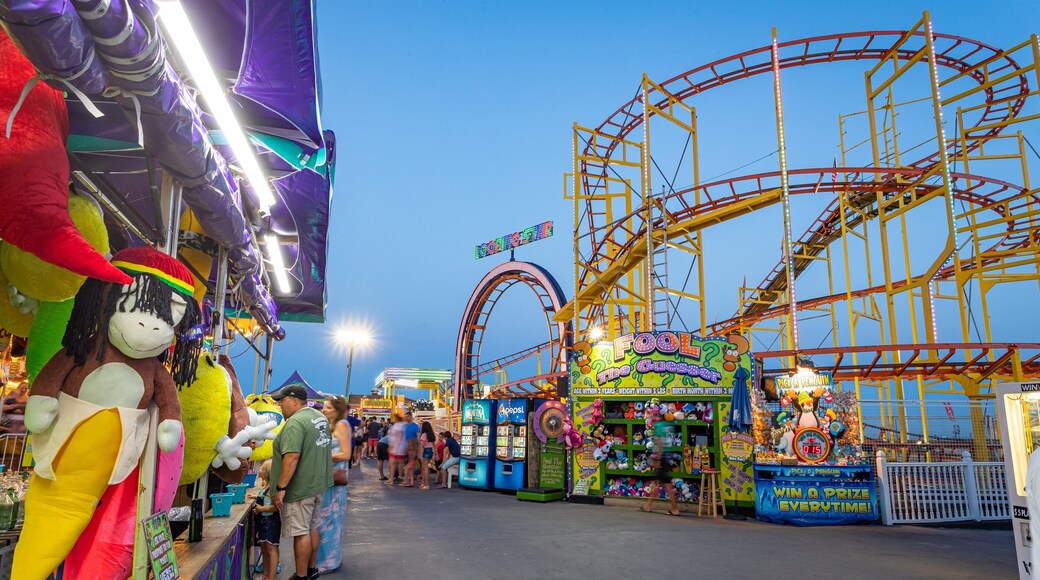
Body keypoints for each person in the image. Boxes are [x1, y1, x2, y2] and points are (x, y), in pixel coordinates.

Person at [271, 384, 334, 580]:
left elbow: (292, 456)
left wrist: (281, 487)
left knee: (300, 533)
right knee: (311, 528)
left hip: (300, 488)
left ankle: (300, 576)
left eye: (282, 400)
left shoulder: (295, 422)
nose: (280, 404)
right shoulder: (319, 417)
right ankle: (311, 569)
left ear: (295, 401)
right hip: (317, 484)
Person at [316, 396, 351, 574]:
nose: (324, 410)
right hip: (326, 477)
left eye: (328, 407)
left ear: (337, 410)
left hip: (335, 478)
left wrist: (323, 455)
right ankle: (322, 558)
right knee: (322, 518)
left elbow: (346, 454)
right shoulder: (330, 425)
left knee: (330, 518)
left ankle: (329, 561)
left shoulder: (342, 425)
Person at [640, 418, 680, 517]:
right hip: (669, 455)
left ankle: (675, 509)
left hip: (663, 457)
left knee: (666, 484)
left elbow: (660, 441)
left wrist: (658, 457)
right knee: (660, 482)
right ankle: (648, 505)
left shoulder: (659, 426)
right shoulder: (668, 425)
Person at [251, 459, 281, 580]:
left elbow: (276, 507)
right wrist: (256, 496)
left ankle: (271, 576)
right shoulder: (265, 487)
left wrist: (261, 509)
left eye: (262, 468)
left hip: (270, 522)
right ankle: (265, 573)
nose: (260, 469)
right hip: (262, 522)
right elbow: (264, 498)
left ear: (267, 473)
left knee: (271, 548)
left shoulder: (273, 489)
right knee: (264, 547)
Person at [386, 414, 407, 485]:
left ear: (397, 418)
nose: (393, 419)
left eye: (394, 418)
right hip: (397, 447)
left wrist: (392, 446)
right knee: (395, 463)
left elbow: (398, 437)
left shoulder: (399, 426)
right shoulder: (398, 425)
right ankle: (394, 478)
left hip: (398, 447)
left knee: (397, 463)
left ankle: (397, 478)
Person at [402, 412, 421, 487]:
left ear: (410, 416)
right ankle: (411, 481)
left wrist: (418, 449)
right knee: (409, 466)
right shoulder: (404, 426)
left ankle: (407, 481)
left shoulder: (415, 426)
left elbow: (418, 437)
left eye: (407, 416)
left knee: (409, 466)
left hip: (412, 449)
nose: (405, 418)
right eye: (405, 416)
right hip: (406, 449)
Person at [418, 421, 436, 490]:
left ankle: (426, 484)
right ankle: (423, 483)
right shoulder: (431, 434)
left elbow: (422, 445)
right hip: (430, 451)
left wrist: (421, 455)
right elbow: (434, 445)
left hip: (425, 451)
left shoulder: (424, 435)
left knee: (425, 468)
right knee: (424, 468)